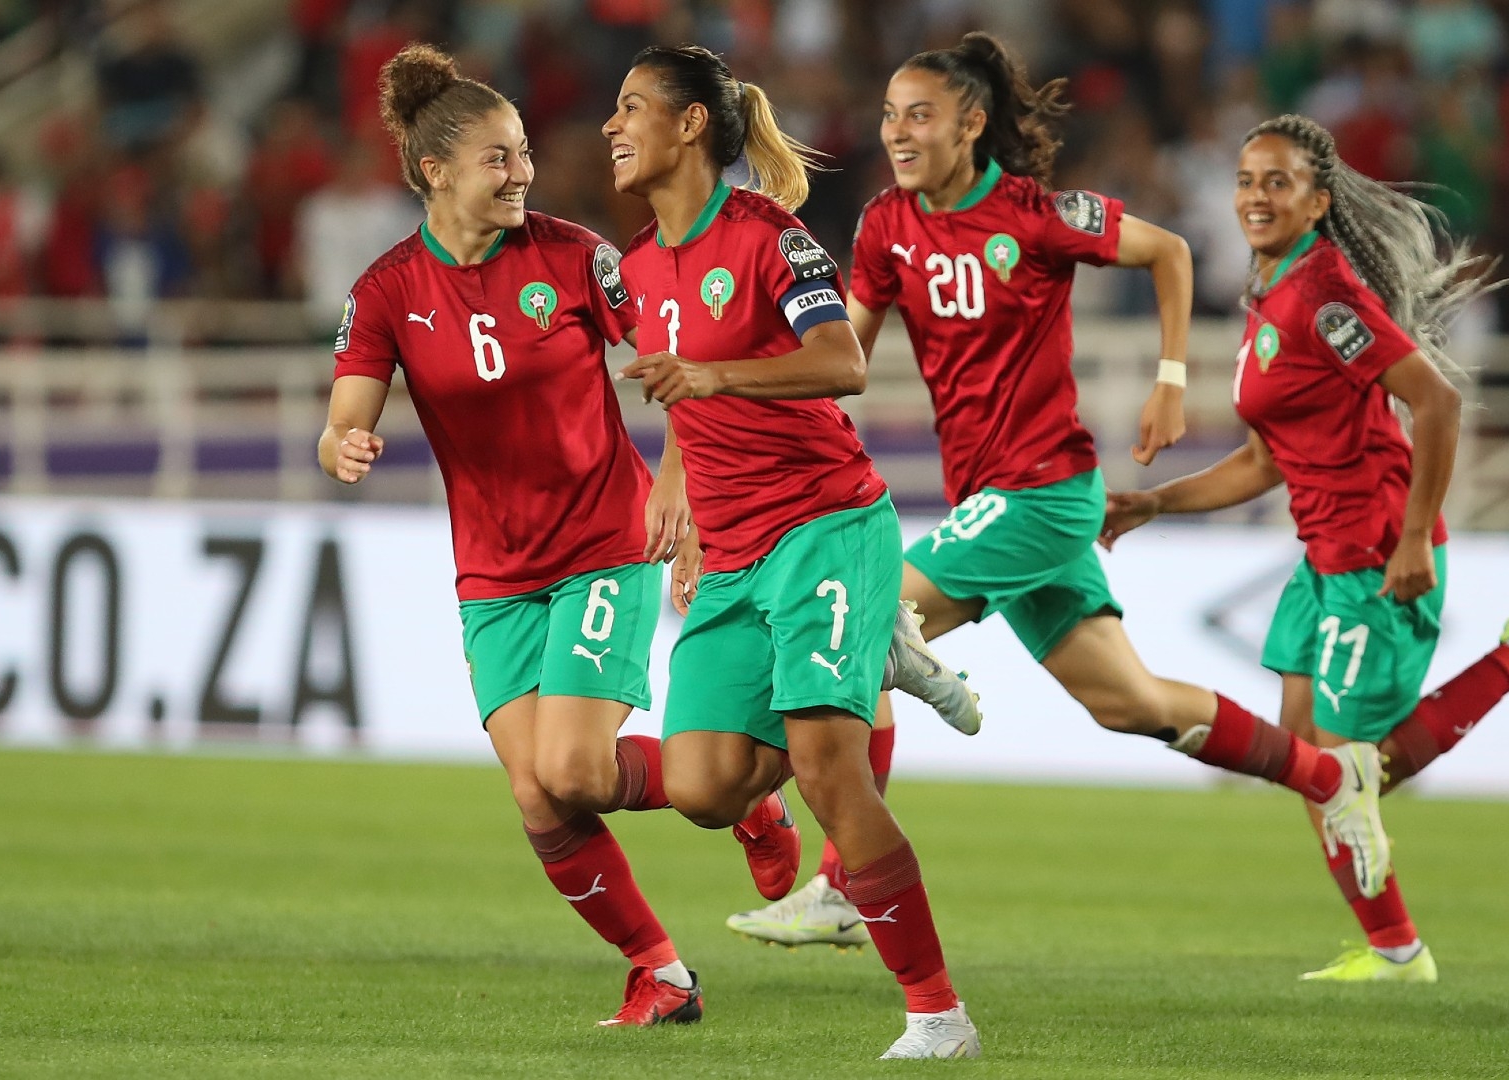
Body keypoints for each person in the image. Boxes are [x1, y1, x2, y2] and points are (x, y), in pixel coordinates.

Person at [729, 32, 1393, 950]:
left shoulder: (1036, 214)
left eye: (919, 115)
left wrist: (1169, 379)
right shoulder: (887, 225)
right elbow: (843, 354)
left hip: (1044, 490)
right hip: (989, 502)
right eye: (888, 115)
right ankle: (1327, 778)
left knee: (870, 621)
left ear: (971, 123)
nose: (897, 132)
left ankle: (845, 882)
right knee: (1132, 702)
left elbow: (1167, 252)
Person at [1100, 113, 1509, 981]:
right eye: (1246, 180)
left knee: (1354, 772)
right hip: (1321, 554)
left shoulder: (1325, 296)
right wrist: (1156, 504)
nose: (1256, 197)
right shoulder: (1270, 291)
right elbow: (1266, 459)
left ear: (1319, 199)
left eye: (1278, 182)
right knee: (1310, 763)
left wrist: (1416, 534)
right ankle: (1394, 948)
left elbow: (1437, 402)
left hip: (1376, 553)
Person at [321, 44, 766, 1029]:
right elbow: (348, 402)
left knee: (568, 768)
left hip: (604, 538)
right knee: (542, 796)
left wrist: (684, 489)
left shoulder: (574, 257)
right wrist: (342, 439)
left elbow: (674, 359)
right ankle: (660, 970)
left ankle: (745, 792)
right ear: (435, 171)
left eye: (522, 153)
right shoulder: (388, 289)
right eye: (497, 157)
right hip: (493, 571)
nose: (522, 172)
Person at [606, 44, 979, 1059]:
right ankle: (876, 660)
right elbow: (678, 389)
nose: (612, 126)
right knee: (701, 786)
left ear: (691, 125)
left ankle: (939, 1016)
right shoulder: (635, 266)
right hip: (730, 551)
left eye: (633, 107)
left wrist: (719, 380)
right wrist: (676, 491)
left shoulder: (770, 236)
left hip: (826, 522)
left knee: (826, 769)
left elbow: (843, 361)